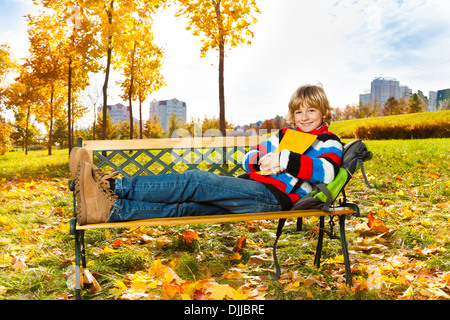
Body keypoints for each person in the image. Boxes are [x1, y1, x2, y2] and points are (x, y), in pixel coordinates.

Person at [70, 84, 343, 225]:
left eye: (311, 111)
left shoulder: (327, 141)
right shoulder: (284, 135)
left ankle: (110, 186)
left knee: (195, 181)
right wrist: (262, 159)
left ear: (323, 113)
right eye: (299, 111)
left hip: (275, 199)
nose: (304, 117)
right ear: (292, 113)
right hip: (253, 187)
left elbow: (327, 172)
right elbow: (250, 156)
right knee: (185, 208)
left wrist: (283, 160)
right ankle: (113, 210)